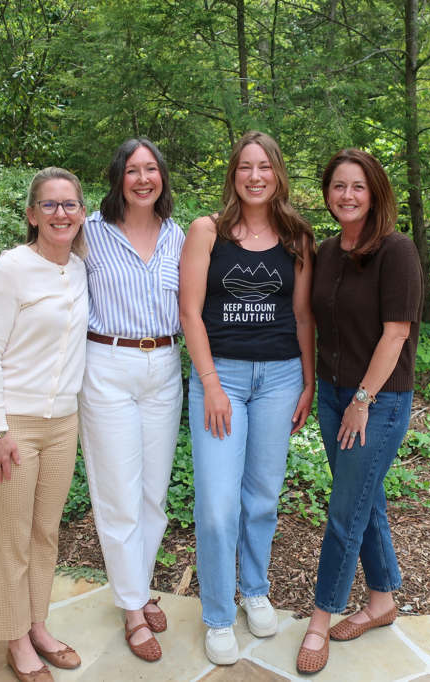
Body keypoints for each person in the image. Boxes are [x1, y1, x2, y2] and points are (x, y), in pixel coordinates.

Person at [180, 131, 316, 666]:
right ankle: (217, 614)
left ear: (277, 174)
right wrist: (210, 382)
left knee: (262, 496)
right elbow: (190, 312)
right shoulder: (207, 232)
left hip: (280, 378)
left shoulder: (297, 237)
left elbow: (302, 316)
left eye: (264, 167)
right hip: (223, 380)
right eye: (245, 167)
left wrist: (306, 381)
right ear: (233, 174)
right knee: (216, 506)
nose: (255, 176)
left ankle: (254, 588)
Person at [295, 149, 423, 674]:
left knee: (345, 510)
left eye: (358, 187)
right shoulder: (326, 251)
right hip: (330, 394)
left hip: (378, 400)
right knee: (364, 500)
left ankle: (319, 621)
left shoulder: (397, 252)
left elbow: (396, 335)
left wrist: (362, 402)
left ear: (375, 193)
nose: (347, 195)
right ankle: (382, 602)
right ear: (328, 193)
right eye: (338, 186)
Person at [0, 167, 89, 682]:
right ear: (31, 214)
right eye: (49, 204)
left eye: (69, 204)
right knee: (14, 536)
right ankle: (16, 640)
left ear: (81, 212)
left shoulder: (81, 269)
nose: (60, 213)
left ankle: (38, 624)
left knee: (46, 532)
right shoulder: (10, 269)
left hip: (64, 422)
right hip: (13, 424)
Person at [78, 138, 185, 662]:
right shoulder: (90, 235)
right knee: (118, 494)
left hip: (164, 367)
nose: (143, 179)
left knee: (152, 495)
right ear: (118, 176)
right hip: (108, 367)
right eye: (133, 170)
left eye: (152, 170)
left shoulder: (178, 237)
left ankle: (136, 587)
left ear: (162, 177)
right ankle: (132, 609)